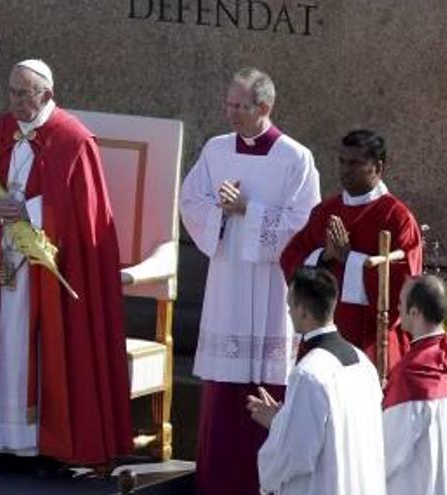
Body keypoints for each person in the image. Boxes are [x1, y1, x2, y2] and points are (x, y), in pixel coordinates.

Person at [0, 59, 133, 465]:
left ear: (46, 94)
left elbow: (86, 218)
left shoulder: (74, 140)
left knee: (40, 347)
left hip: (49, 270)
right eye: (11, 92)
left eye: (23, 94)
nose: (14, 101)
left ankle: (47, 446)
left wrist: (30, 213)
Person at [179, 67, 320, 495]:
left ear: (265, 107)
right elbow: (191, 201)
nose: (231, 114)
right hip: (228, 284)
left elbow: (305, 225)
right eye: (228, 104)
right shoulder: (216, 150)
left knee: (269, 383)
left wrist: (248, 209)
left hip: (273, 289)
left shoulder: (295, 158)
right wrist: (218, 213)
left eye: (240, 106)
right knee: (224, 396)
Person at [281, 129, 423, 373]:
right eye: (342, 161)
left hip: (373, 340)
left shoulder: (397, 218)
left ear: (378, 167)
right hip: (322, 340)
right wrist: (325, 256)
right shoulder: (325, 211)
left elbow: (406, 285)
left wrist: (350, 259)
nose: (345, 170)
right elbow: (290, 260)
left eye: (355, 163)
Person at [250, 266, 385, 495]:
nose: (289, 312)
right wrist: (283, 420)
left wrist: (267, 478)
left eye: (290, 306)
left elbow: (296, 453)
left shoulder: (308, 374)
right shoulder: (363, 363)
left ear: (303, 311)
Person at [383, 275, 447, 495]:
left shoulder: (409, 375)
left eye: (401, 302)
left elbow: (387, 452)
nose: (397, 307)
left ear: (415, 312)